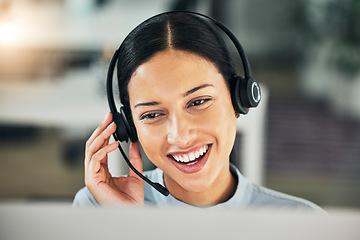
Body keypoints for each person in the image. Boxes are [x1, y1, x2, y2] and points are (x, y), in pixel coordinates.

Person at [73, 11, 323, 210]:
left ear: (238, 98)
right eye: (151, 115)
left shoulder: (304, 223)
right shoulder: (97, 206)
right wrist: (127, 226)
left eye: (198, 102)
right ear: (128, 126)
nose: (181, 136)